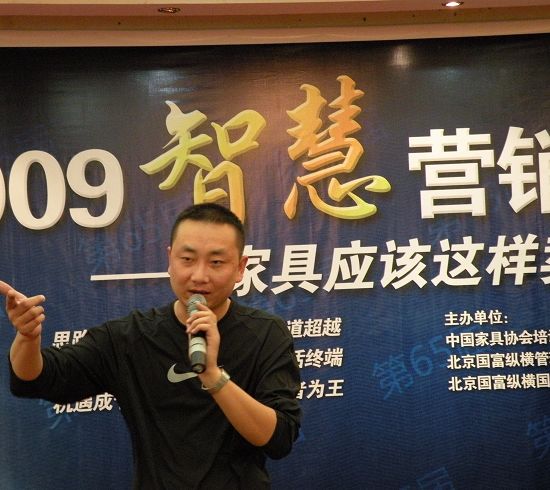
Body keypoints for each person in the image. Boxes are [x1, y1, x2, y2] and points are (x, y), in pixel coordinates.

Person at [3, 203, 302, 489]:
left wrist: (212, 375)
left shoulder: (266, 334)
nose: (199, 276)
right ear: (170, 259)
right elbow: (39, 378)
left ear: (240, 267)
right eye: (187, 259)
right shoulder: (131, 337)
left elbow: (279, 438)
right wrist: (28, 337)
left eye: (216, 262)